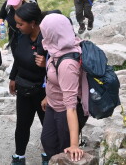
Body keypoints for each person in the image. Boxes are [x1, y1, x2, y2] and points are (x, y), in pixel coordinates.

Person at [40, 13, 89, 164]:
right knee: (47, 141)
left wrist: (74, 145)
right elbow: (55, 79)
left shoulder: (68, 63)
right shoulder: (57, 49)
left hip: (65, 110)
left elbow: (71, 106)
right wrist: (48, 96)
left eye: (45, 32)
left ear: (52, 34)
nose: (43, 36)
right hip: (53, 105)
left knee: (63, 149)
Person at [8, 2, 48, 165]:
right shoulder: (21, 36)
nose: (17, 27)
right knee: (22, 124)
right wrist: (12, 77)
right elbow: (17, 58)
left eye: (20, 24)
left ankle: (48, 155)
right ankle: (19, 156)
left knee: (47, 126)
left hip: (43, 91)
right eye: (16, 23)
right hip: (23, 87)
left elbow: (62, 66)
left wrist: (47, 64)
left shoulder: (47, 39)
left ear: (33, 23)